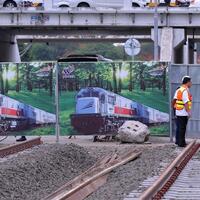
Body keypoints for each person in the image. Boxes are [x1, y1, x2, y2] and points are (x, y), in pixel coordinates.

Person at [172, 76, 192, 147]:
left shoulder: (179, 90)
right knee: (182, 128)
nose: (191, 83)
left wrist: (174, 109)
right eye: (190, 82)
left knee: (179, 127)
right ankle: (181, 143)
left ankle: (177, 141)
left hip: (178, 112)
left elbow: (174, 100)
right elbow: (186, 102)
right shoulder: (185, 91)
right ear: (188, 82)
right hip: (183, 112)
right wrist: (189, 112)